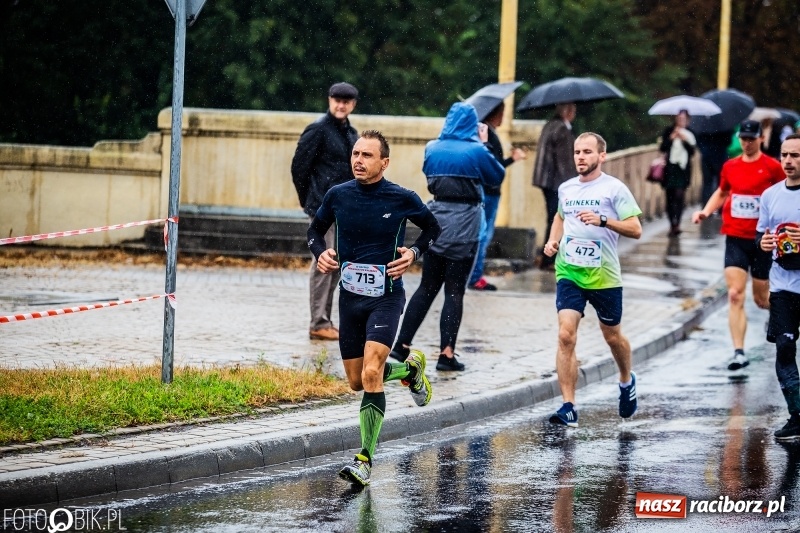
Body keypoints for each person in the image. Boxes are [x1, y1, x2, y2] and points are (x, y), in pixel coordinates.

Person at [307, 130, 442, 485]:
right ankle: (410, 372)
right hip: (350, 300)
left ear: (384, 162)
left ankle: (365, 458)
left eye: (367, 156)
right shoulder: (338, 195)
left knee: (371, 373)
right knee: (356, 381)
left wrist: (413, 253)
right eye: (355, 154)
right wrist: (319, 252)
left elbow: (432, 228)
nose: (358, 161)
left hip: (387, 297)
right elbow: (315, 230)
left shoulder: (401, 198)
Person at [389, 102, 505, 371]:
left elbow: (429, 173)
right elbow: (496, 177)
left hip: (436, 219)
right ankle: (446, 354)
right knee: (454, 291)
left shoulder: (432, 147)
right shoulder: (477, 150)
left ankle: (401, 345)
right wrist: (485, 145)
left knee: (427, 286)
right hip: (465, 222)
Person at [543, 132, 643, 427]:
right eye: (577, 152)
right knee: (565, 335)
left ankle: (626, 379)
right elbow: (560, 217)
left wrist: (603, 221)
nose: (581, 157)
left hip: (605, 276)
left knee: (612, 337)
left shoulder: (614, 189)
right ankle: (568, 407)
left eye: (587, 152)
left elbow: (636, 229)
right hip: (569, 272)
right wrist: (553, 242)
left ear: (602, 155)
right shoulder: (566, 189)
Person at [692, 120, 785, 370]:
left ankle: (780, 318)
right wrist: (705, 211)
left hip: (763, 240)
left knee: (762, 299)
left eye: (751, 138)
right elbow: (722, 192)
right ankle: (738, 352)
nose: (746, 142)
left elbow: (785, 194)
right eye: (743, 138)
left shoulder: (774, 168)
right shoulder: (730, 167)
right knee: (734, 294)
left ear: (760, 139)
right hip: (735, 238)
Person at [291, 82, 359, 341]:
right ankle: (318, 322)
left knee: (336, 265)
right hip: (322, 208)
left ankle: (325, 321)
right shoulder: (318, 129)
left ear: (353, 104)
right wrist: (308, 201)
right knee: (323, 263)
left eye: (346, 101)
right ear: (329, 100)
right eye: (337, 100)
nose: (341, 105)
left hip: (344, 211)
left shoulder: (351, 133)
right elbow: (299, 168)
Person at [757, 133, 800, 441]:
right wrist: (765, 242)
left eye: (795, 156)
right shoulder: (770, 195)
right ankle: (796, 415)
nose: (788, 161)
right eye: (785, 155)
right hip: (783, 285)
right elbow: (762, 238)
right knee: (784, 347)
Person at [468, 102, 526, 291]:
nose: (503, 117)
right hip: (488, 192)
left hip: (489, 191)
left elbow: (495, 164)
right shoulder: (485, 134)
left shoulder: (489, 132)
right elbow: (491, 165)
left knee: (482, 234)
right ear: (495, 113)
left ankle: (474, 275)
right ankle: (475, 277)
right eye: (502, 112)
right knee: (483, 234)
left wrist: (511, 159)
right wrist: (510, 159)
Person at [533, 102, 577, 270]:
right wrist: (572, 184)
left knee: (552, 217)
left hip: (545, 180)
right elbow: (565, 161)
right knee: (556, 218)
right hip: (556, 182)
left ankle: (547, 257)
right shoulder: (562, 129)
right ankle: (548, 259)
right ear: (568, 112)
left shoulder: (550, 125)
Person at [658, 110, 696, 237]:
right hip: (670, 168)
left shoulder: (690, 133)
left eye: (684, 119)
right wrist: (671, 138)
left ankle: (677, 223)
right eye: (679, 119)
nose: (681, 121)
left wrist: (684, 140)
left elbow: (692, 152)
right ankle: (671, 224)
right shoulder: (669, 131)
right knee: (669, 197)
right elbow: (662, 148)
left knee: (679, 196)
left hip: (683, 169)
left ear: (688, 120)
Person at [697, 129, 733, 206]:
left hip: (707, 157)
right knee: (721, 184)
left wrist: (705, 149)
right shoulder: (723, 125)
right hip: (720, 157)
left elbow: (698, 141)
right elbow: (728, 141)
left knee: (707, 184)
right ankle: (720, 207)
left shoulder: (703, 125)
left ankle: (706, 206)